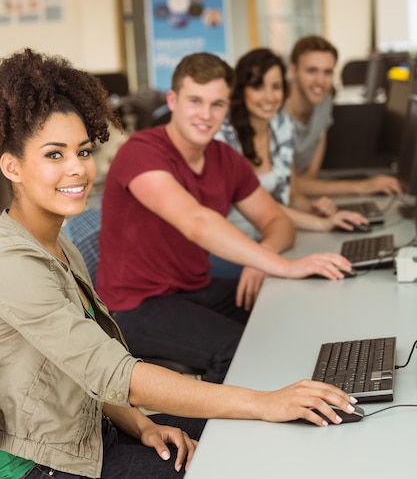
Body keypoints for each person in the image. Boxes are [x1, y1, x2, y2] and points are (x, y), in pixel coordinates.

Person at [0, 49, 361, 479]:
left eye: (82, 151)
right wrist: (265, 402)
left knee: (255, 435)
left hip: (95, 430)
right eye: (54, 155)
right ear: (12, 166)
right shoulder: (13, 265)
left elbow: (86, 374)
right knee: (239, 458)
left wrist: (143, 423)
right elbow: (113, 370)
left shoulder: (58, 245)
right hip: (46, 463)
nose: (78, 169)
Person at [97, 51, 353, 382]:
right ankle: (214, 432)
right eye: (195, 101)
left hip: (193, 289)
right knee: (237, 350)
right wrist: (284, 265)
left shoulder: (225, 159)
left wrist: (265, 257)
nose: (206, 114)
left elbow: (278, 222)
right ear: (173, 100)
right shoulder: (141, 151)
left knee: (288, 307)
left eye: (216, 104)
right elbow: (196, 223)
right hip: (135, 306)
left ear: (227, 108)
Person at [214, 47, 369, 250]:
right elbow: (260, 206)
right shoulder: (223, 138)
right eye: (258, 87)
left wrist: (320, 211)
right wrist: (319, 224)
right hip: (233, 245)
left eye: (276, 86)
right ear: (242, 91)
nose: (269, 97)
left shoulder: (281, 125)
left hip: (272, 237)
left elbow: (292, 195)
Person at [284, 35, 402, 198]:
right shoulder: (276, 114)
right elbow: (287, 184)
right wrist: (362, 187)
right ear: (293, 70)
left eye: (328, 72)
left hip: (301, 198)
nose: (320, 81)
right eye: (312, 70)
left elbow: (312, 173)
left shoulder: (324, 102)